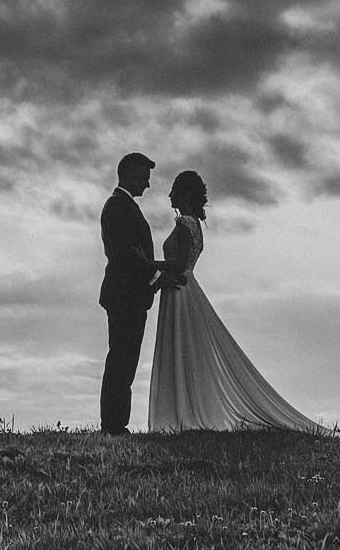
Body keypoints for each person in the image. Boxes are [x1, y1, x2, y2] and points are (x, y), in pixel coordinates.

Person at [148, 170, 325, 434]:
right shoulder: (194, 224)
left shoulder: (185, 223)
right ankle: (182, 409)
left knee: (181, 347)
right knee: (186, 349)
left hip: (180, 288)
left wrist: (148, 264)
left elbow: (181, 263)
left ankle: (182, 411)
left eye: (174, 188)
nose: (169, 194)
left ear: (185, 193)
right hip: (183, 288)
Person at [97, 151, 163, 435]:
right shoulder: (117, 207)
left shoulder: (124, 206)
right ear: (129, 174)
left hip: (131, 295)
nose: (147, 184)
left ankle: (116, 422)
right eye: (144, 177)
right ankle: (113, 424)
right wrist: (156, 275)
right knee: (121, 360)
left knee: (126, 360)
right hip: (124, 295)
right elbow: (125, 253)